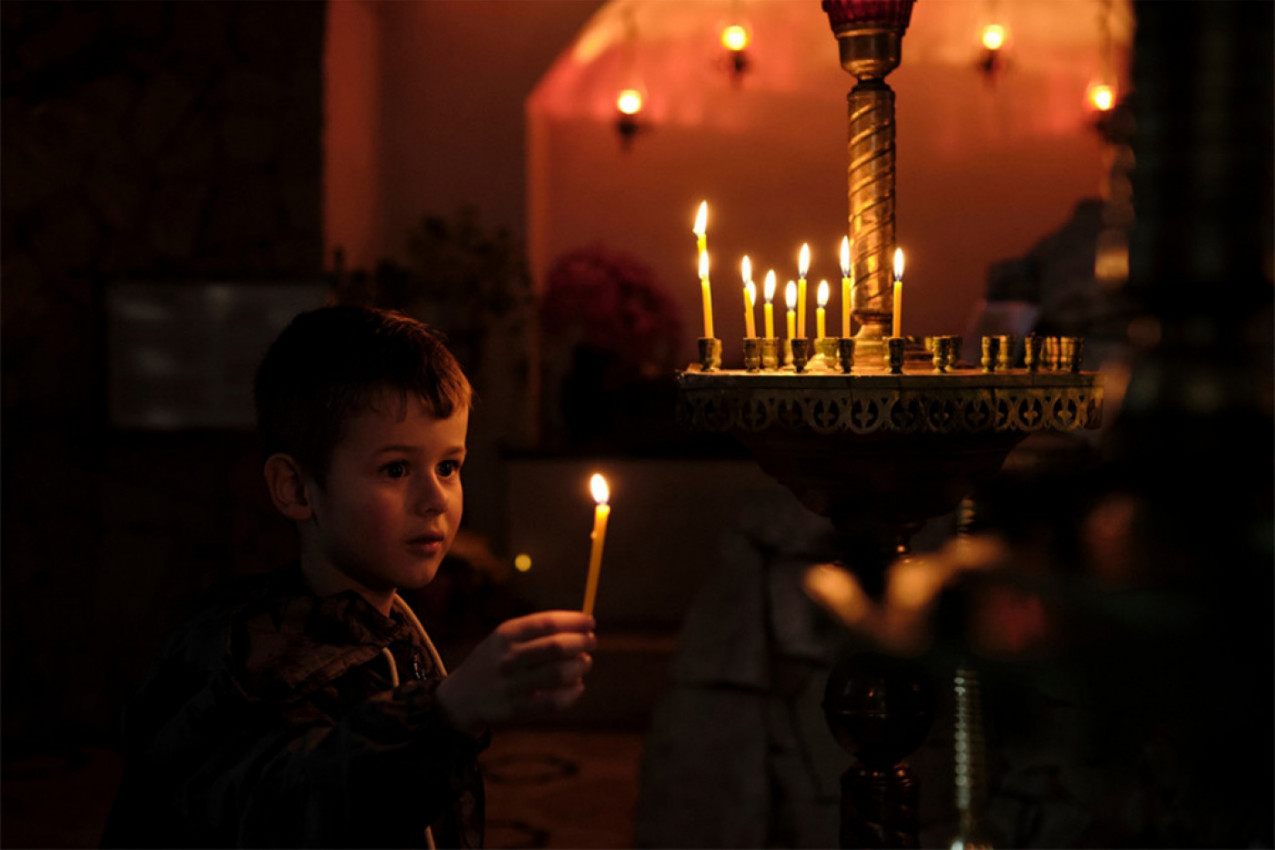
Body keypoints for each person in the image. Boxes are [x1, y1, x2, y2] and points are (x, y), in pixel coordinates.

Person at [101, 305, 596, 848]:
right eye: (396, 469)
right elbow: (298, 807)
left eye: (449, 467)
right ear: (295, 488)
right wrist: (447, 714)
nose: (436, 500)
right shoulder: (252, 664)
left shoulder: (385, 625)